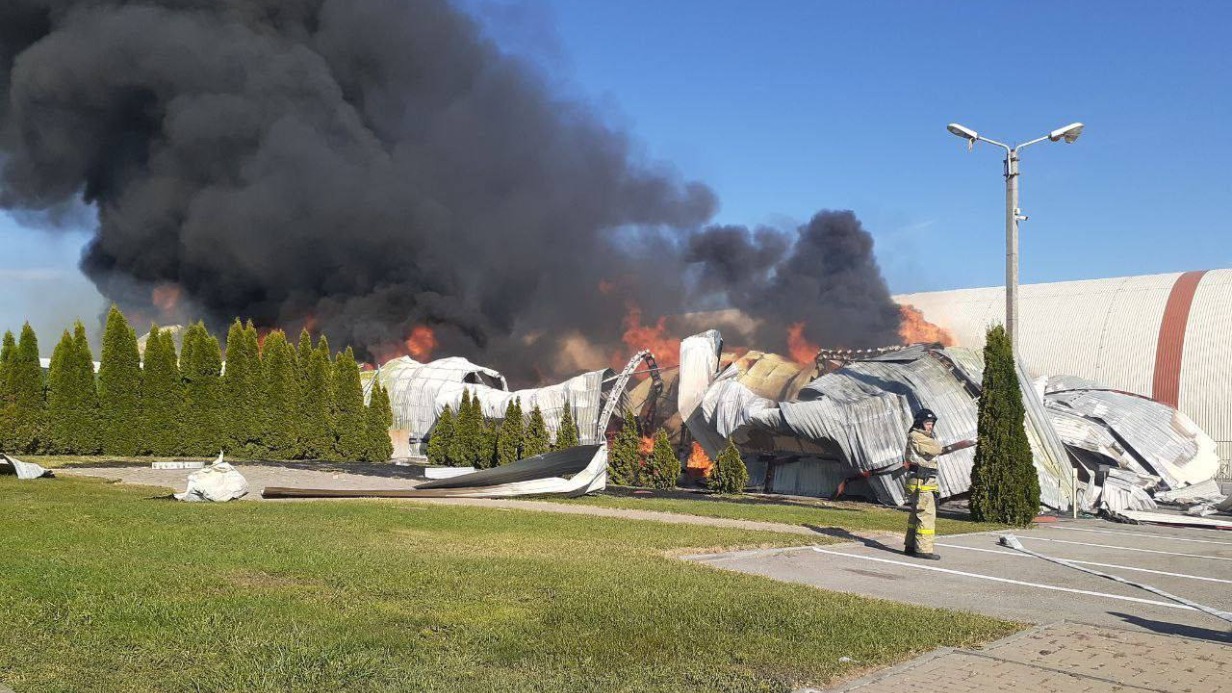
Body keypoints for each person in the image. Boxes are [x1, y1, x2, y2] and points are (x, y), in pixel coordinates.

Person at [904, 408, 943, 559]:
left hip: (922, 481)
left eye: (932, 423)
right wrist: (938, 445)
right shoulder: (917, 436)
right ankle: (924, 550)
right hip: (922, 483)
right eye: (927, 423)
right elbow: (936, 448)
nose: (930, 426)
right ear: (920, 423)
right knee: (926, 515)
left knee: (916, 515)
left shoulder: (918, 436)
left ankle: (911, 545)